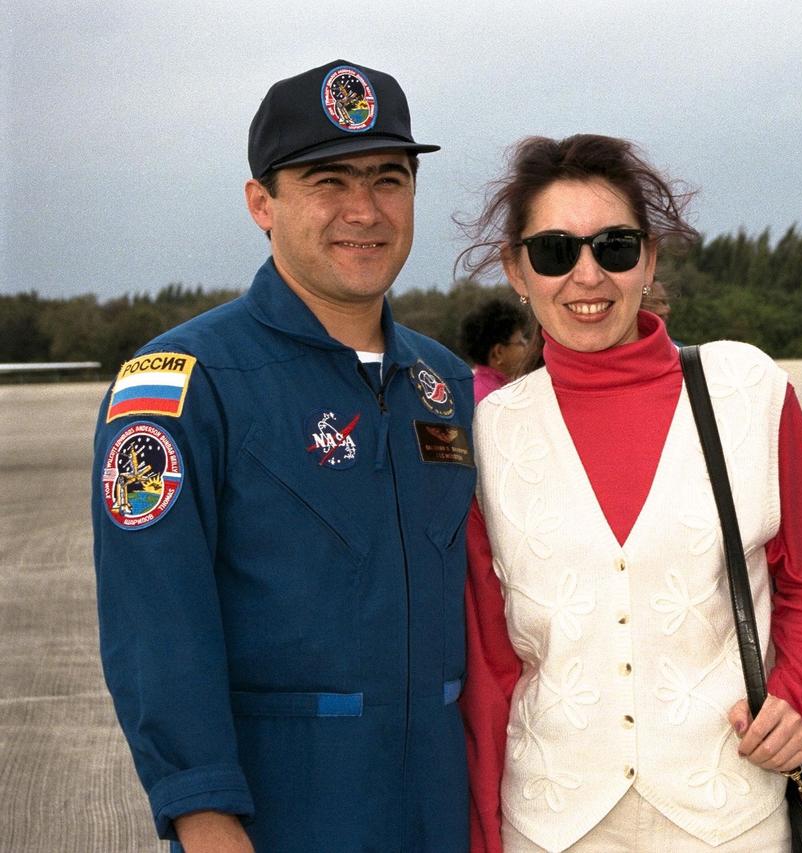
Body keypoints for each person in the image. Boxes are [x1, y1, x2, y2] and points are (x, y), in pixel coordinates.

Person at [91, 60, 475, 852]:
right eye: (328, 181)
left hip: (443, 810)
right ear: (261, 203)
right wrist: (202, 810)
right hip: (281, 816)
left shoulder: (447, 385)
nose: (364, 210)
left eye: (390, 179)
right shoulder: (182, 387)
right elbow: (155, 621)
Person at [457, 134, 802, 852]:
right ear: (517, 270)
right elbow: (490, 660)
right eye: (554, 251)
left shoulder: (748, 390)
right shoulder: (490, 431)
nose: (587, 275)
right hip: (550, 826)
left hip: (731, 817)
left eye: (613, 246)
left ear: (649, 257)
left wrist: (798, 692)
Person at [461, 297, 529, 402]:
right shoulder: (493, 399)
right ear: (499, 352)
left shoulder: (474, 388)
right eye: (520, 342)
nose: (527, 347)